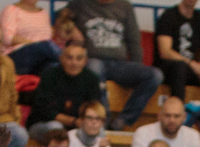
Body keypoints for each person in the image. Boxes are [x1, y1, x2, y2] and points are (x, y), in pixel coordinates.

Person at [66, 0, 162, 128]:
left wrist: (137, 67)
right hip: (93, 60)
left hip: (119, 64)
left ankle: (123, 121)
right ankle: (102, 120)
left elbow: (133, 40)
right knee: (94, 68)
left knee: (155, 75)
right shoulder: (80, 3)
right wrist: (72, 28)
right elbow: (60, 16)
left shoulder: (125, 6)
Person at [29, 41, 101, 143]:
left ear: (85, 61)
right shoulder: (49, 76)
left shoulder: (91, 79)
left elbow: (94, 107)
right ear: (61, 58)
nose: (74, 63)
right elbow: (44, 110)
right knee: (56, 129)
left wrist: (85, 122)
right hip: (44, 124)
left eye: (79, 58)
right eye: (69, 58)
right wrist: (73, 121)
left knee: (99, 130)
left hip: (79, 125)